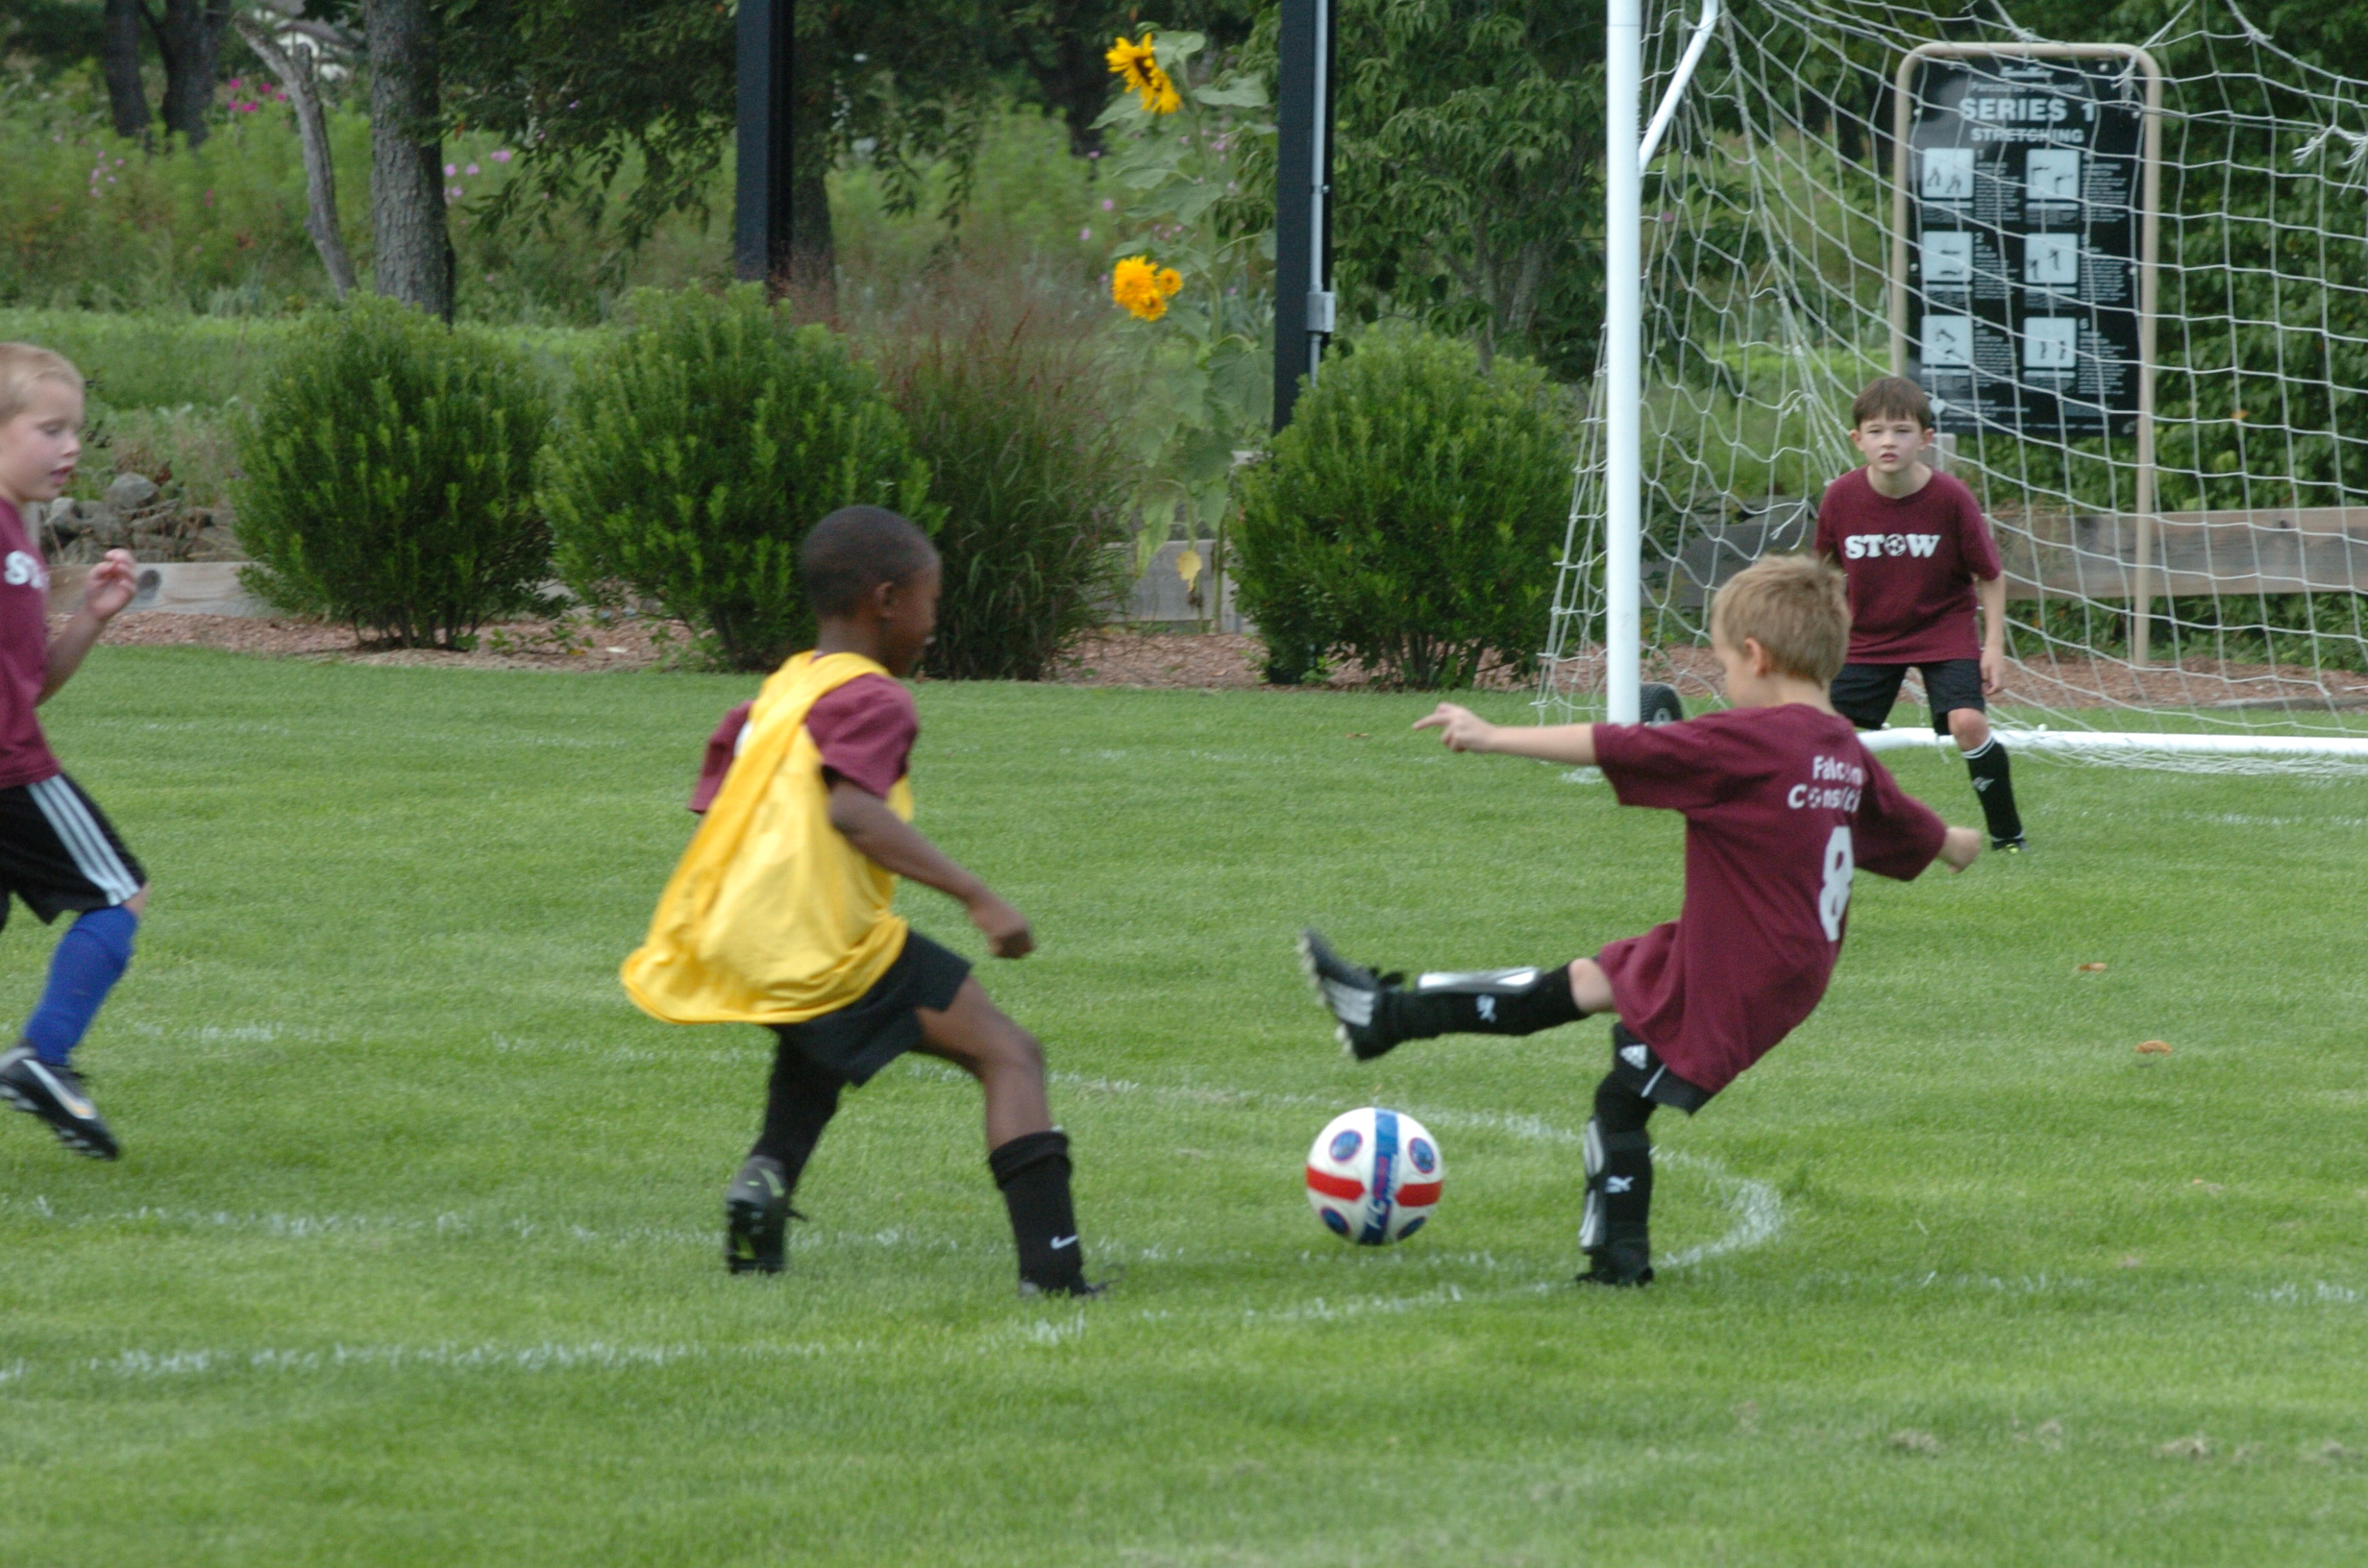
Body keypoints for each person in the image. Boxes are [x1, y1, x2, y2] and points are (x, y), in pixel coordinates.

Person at [1300, 556, 1981, 1286]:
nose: (1725, 681)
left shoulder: (1751, 741)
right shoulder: (1841, 748)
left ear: (1756, 656)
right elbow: (1902, 824)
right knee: (1584, 982)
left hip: (1739, 970)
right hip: (1759, 952)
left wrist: (1491, 734)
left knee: (1619, 1104)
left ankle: (1618, 1266)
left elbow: (1616, 745)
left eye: (1724, 663)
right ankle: (1385, 1016)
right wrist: (1953, 842)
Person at [622, 505, 1098, 1297]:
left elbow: (717, 803)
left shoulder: (779, 691)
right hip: (820, 942)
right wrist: (978, 897)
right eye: (931, 603)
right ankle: (1054, 1273)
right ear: (886, 601)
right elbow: (852, 812)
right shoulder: (873, 699)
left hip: (740, 936)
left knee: (818, 1042)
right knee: (1010, 1053)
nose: (933, 625)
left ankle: (763, 1184)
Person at [0, 343, 146, 1160]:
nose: (70, 448)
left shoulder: (20, 547)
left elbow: (28, 685)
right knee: (119, 893)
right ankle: (42, 1060)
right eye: (49, 429)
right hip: (11, 772)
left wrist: (90, 618)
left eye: (76, 431)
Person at [1813, 375, 2028, 851]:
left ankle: (2008, 836)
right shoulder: (1840, 497)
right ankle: (1814, 827)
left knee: (1967, 723)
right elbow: (1822, 573)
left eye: (1902, 430)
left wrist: (1993, 647)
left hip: (1942, 631)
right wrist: (1821, 636)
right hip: (1867, 635)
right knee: (1817, 726)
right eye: (1876, 431)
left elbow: (1990, 575)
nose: (1888, 442)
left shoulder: (1950, 498)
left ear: (1926, 439)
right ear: (1857, 439)